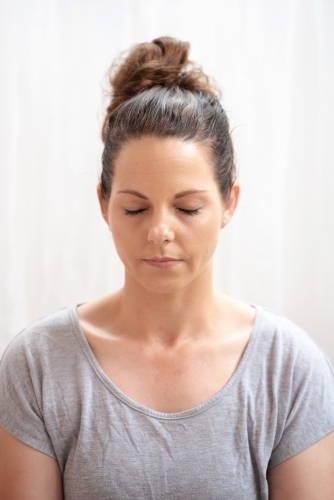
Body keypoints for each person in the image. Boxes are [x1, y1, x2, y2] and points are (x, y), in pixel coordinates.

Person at [0, 36, 333, 500]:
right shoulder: (37, 366)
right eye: (136, 209)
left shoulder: (290, 368)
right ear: (104, 204)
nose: (159, 231)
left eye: (188, 209)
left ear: (228, 204)